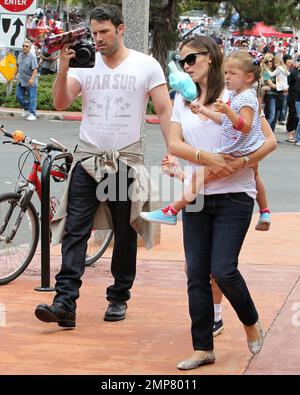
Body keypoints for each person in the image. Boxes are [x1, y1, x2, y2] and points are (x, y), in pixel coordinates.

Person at [34, 4, 172, 327]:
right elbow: (60, 103)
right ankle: (65, 301)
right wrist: (64, 69)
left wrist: (173, 151)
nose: (98, 39)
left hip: (124, 160)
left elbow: (164, 110)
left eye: (104, 32)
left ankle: (119, 296)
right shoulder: (84, 64)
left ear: (121, 29)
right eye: (94, 33)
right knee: (74, 229)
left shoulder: (145, 65)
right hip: (88, 158)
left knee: (125, 231)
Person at [150, 35, 277, 370]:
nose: (187, 65)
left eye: (192, 58)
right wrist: (204, 157)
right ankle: (203, 347)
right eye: (183, 60)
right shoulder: (182, 98)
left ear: (212, 57)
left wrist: (241, 163)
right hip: (197, 195)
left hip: (235, 195)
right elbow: (174, 144)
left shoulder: (235, 93)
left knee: (223, 269)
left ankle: (250, 322)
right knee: (196, 274)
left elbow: (270, 140)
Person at [141, 50, 271, 232]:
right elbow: (222, 121)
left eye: (232, 74)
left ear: (248, 77)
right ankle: (265, 211)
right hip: (236, 148)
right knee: (203, 176)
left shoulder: (247, 97)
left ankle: (172, 210)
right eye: (226, 73)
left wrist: (228, 113)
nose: (227, 77)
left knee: (201, 176)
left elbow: (246, 126)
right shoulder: (234, 95)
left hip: (238, 149)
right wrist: (204, 110)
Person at [14, 39, 38, 121]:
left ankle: (33, 114)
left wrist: (32, 79)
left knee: (32, 97)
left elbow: (35, 69)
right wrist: (14, 74)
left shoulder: (32, 57)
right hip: (21, 80)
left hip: (30, 80)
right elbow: (18, 66)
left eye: (26, 46)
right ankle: (27, 109)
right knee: (18, 96)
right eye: (23, 46)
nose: (24, 47)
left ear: (30, 48)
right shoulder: (20, 55)